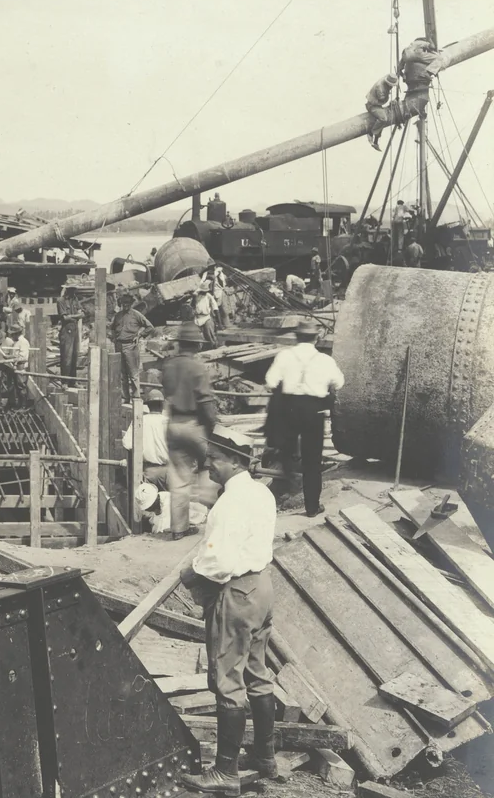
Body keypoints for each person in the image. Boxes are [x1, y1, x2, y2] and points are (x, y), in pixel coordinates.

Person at [179, 427, 278, 795]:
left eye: (215, 461)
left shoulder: (230, 502)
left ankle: (224, 772)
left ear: (236, 461)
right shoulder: (262, 493)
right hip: (262, 585)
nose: (209, 468)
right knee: (257, 671)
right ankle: (265, 757)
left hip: (236, 591)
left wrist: (192, 572)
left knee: (227, 677)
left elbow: (218, 562)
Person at [264, 321, 344, 518]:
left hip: (288, 408)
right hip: (313, 411)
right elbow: (339, 382)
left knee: (285, 451)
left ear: (296, 337)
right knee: (312, 459)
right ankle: (311, 506)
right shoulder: (324, 360)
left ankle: (286, 485)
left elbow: (270, 383)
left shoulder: (284, 356)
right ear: (316, 338)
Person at [162, 322, 217, 541]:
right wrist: (215, 429)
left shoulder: (168, 366)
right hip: (193, 424)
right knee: (217, 465)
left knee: (178, 478)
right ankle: (215, 519)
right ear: (195, 345)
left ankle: (179, 529)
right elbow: (205, 401)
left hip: (173, 423)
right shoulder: (197, 367)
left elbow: (167, 391)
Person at [121, 388, 169, 488]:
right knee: (168, 501)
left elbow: (127, 443)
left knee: (147, 501)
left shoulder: (140, 421)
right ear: (162, 405)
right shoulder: (168, 422)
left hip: (149, 471)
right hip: (168, 472)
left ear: (148, 406)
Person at [111, 292, 154, 398]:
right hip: (119, 346)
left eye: (127, 303)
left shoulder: (136, 314)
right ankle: (125, 397)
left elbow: (150, 327)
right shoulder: (118, 316)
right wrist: (114, 339)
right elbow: (112, 329)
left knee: (133, 373)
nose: (125, 305)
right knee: (122, 374)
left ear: (131, 303)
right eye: (123, 303)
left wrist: (140, 335)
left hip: (131, 346)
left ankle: (136, 397)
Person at [364, 72, 399, 150]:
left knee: (382, 120)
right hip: (372, 106)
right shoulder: (380, 88)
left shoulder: (387, 78)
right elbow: (383, 99)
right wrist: (390, 99)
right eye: (392, 86)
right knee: (383, 118)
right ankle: (370, 133)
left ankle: (375, 142)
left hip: (377, 105)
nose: (392, 87)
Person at [7, 327, 31, 409]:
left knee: (21, 385)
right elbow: (16, 354)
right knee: (17, 385)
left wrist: (13, 358)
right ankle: (19, 404)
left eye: (12, 335)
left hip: (21, 366)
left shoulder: (23, 342)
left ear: (17, 334)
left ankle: (23, 405)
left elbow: (23, 357)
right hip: (16, 365)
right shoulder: (16, 342)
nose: (11, 336)